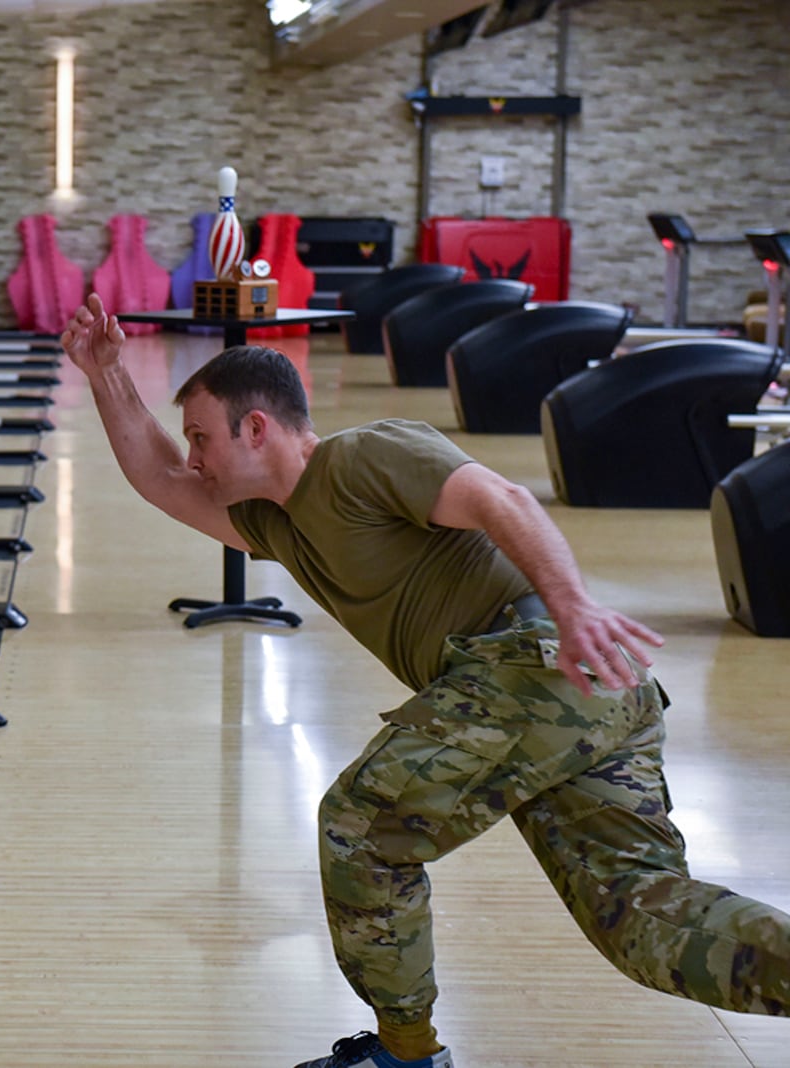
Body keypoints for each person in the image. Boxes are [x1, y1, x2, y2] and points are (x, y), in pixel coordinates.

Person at [60, 293, 790, 1068]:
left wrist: (572, 608)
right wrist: (106, 373)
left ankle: (407, 1056)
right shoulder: (278, 524)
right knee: (644, 924)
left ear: (257, 428)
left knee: (360, 826)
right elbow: (163, 480)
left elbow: (500, 498)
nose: (196, 456)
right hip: (581, 695)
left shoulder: (362, 457)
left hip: (541, 661)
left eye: (203, 436)